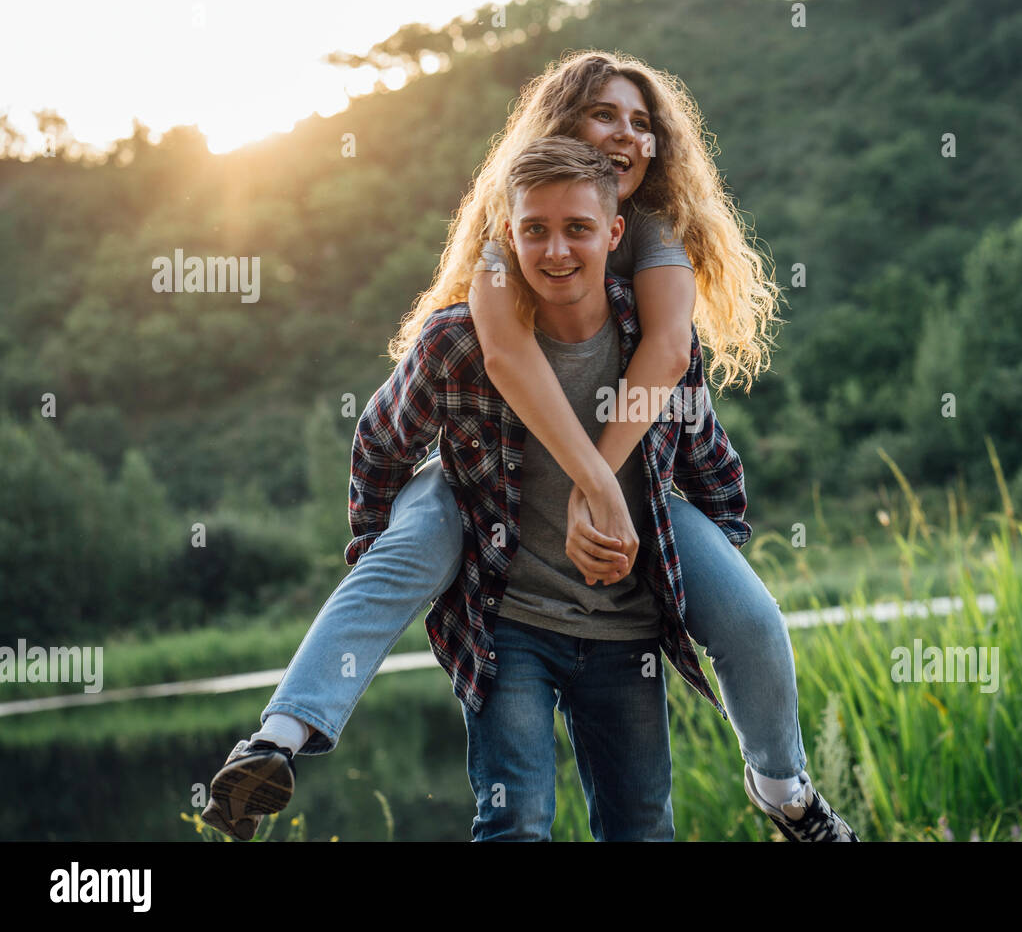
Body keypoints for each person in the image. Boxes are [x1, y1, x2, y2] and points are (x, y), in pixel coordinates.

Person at [202, 51, 857, 842]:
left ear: (613, 222)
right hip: (486, 514)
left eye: (641, 121)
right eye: (604, 114)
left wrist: (649, 525)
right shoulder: (491, 264)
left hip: (620, 566)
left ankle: (784, 788)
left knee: (749, 622)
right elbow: (493, 363)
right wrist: (385, 546)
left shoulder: (651, 241)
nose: (626, 133)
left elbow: (678, 366)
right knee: (420, 537)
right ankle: (279, 738)